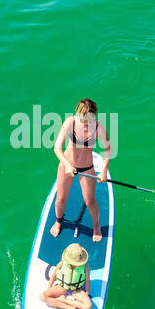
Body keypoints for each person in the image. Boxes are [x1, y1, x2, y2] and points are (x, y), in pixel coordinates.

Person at [50, 98, 111, 241]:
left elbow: (108, 149)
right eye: (83, 119)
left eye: (89, 119)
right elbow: (57, 147)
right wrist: (67, 164)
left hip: (87, 167)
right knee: (60, 199)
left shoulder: (99, 128)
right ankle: (58, 221)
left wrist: (103, 170)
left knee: (90, 201)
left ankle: (96, 225)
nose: (86, 123)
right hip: (67, 165)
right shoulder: (70, 122)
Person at [39, 243, 94, 309]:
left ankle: (64, 300)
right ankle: (69, 308)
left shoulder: (85, 267)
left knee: (88, 305)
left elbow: (87, 280)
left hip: (76, 290)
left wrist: (87, 292)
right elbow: (54, 276)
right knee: (42, 296)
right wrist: (49, 288)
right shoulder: (62, 263)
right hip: (62, 287)